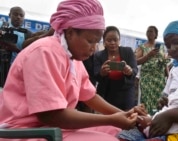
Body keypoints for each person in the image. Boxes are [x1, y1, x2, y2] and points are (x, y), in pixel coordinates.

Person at [0, 1, 148, 141]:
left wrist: (123, 114)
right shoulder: (44, 52)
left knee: (118, 132)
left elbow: (90, 96)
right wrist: (111, 119)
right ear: (70, 33)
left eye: (97, 43)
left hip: (53, 127)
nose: (94, 48)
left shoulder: (72, 58)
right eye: (90, 41)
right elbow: (51, 115)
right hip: (26, 131)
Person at [94, 26, 138, 111]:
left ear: (119, 40)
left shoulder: (128, 51)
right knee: (108, 118)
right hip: (107, 91)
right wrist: (102, 72)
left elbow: (135, 69)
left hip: (126, 91)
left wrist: (130, 71)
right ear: (104, 42)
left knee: (126, 116)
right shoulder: (98, 55)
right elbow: (95, 74)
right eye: (109, 40)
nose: (112, 43)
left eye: (115, 40)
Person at [135, 25, 170, 115]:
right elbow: (135, 62)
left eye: (151, 31)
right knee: (146, 99)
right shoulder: (142, 47)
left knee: (159, 100)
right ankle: (146, 119)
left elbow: (165, 63)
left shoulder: (161, 47)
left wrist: (169, 77)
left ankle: (157, 118)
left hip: (159, 78)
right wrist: (148, 55)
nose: (149, 33)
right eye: (148, 31)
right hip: (147, 78)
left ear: (156, 35)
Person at [0, 6, 32, 87]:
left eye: (21, 16)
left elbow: (29, 54)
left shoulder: (27, 34)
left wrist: (15, 49)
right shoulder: (1, 26)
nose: (18, 17)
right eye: (15, 14)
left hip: (15, 69)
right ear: (9, 15)